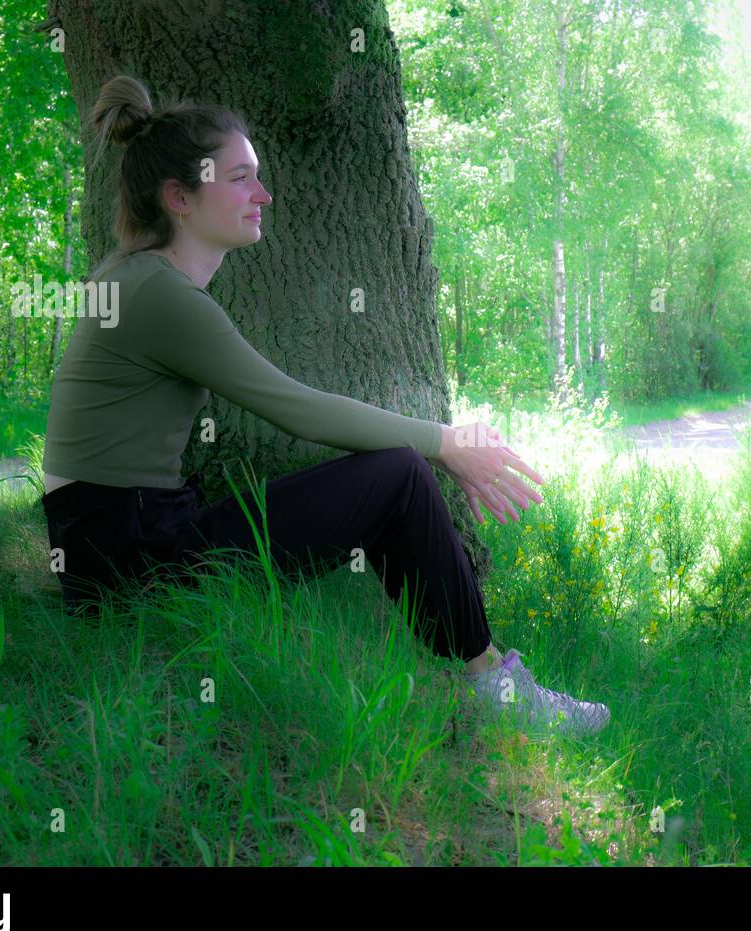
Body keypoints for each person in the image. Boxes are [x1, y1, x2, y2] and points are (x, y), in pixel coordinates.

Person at [40, 74, 609, 739]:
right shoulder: (156, 294)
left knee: (396, 474)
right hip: (133, 568)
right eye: (242, 177)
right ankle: (499, 693)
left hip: (124, 548)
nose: (264, 193)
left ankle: (490, 683)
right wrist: (447, 442)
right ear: (180, 197)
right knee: (398, 475)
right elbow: (299, 409)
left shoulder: (135, 279)